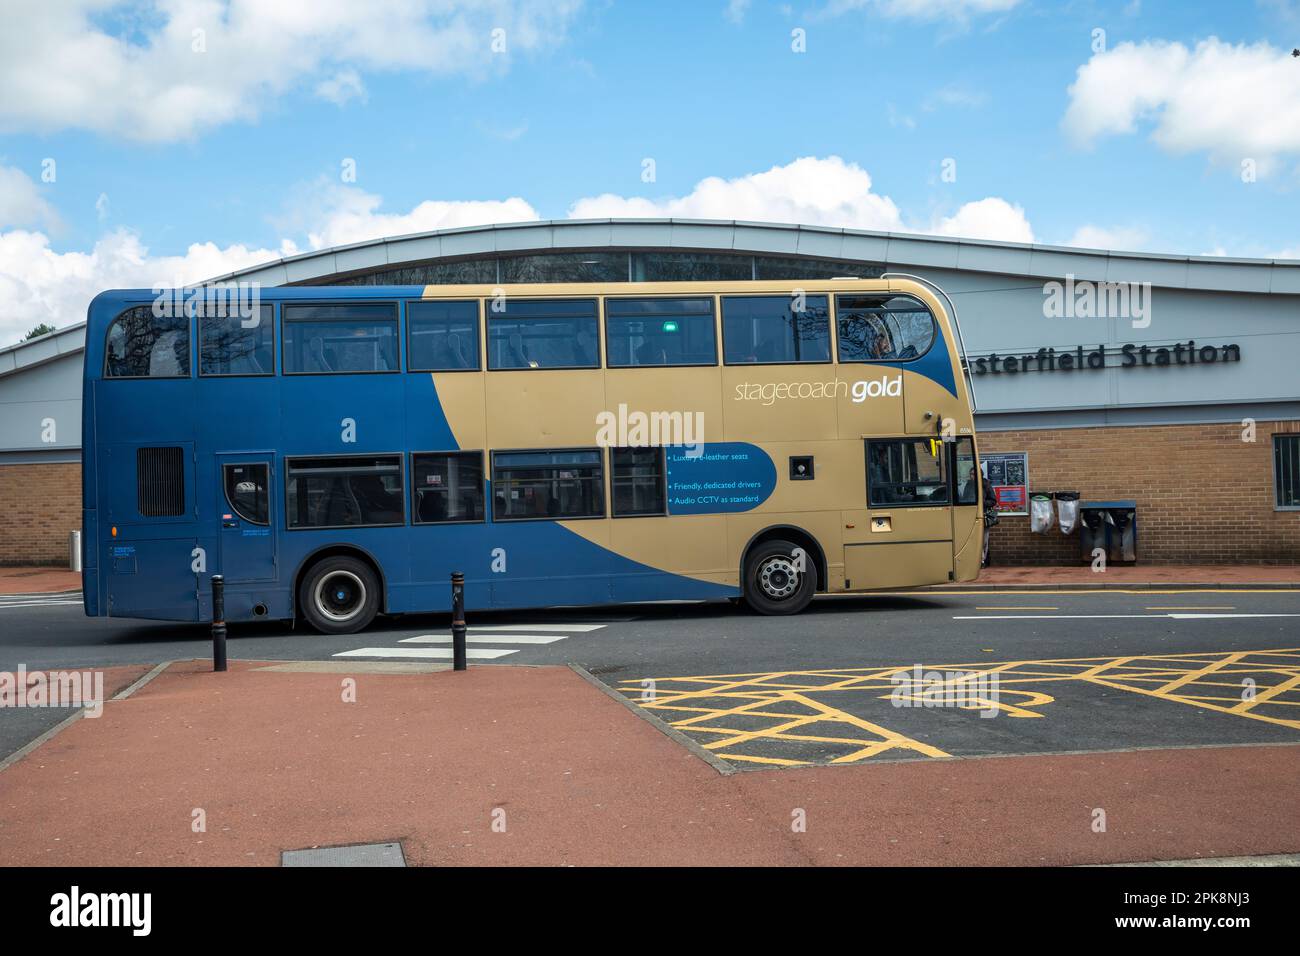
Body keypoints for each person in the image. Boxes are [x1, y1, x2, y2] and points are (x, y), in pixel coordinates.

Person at [981, 465, 999, 568]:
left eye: (974, 474)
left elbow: (993, 501)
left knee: (984, 539)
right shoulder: (968, 485)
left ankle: (984, 560)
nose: (972, 477)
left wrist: (982, 502)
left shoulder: (986, 484)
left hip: (984, 515)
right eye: (971, 474)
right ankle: (980, 560)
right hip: (971, 515)